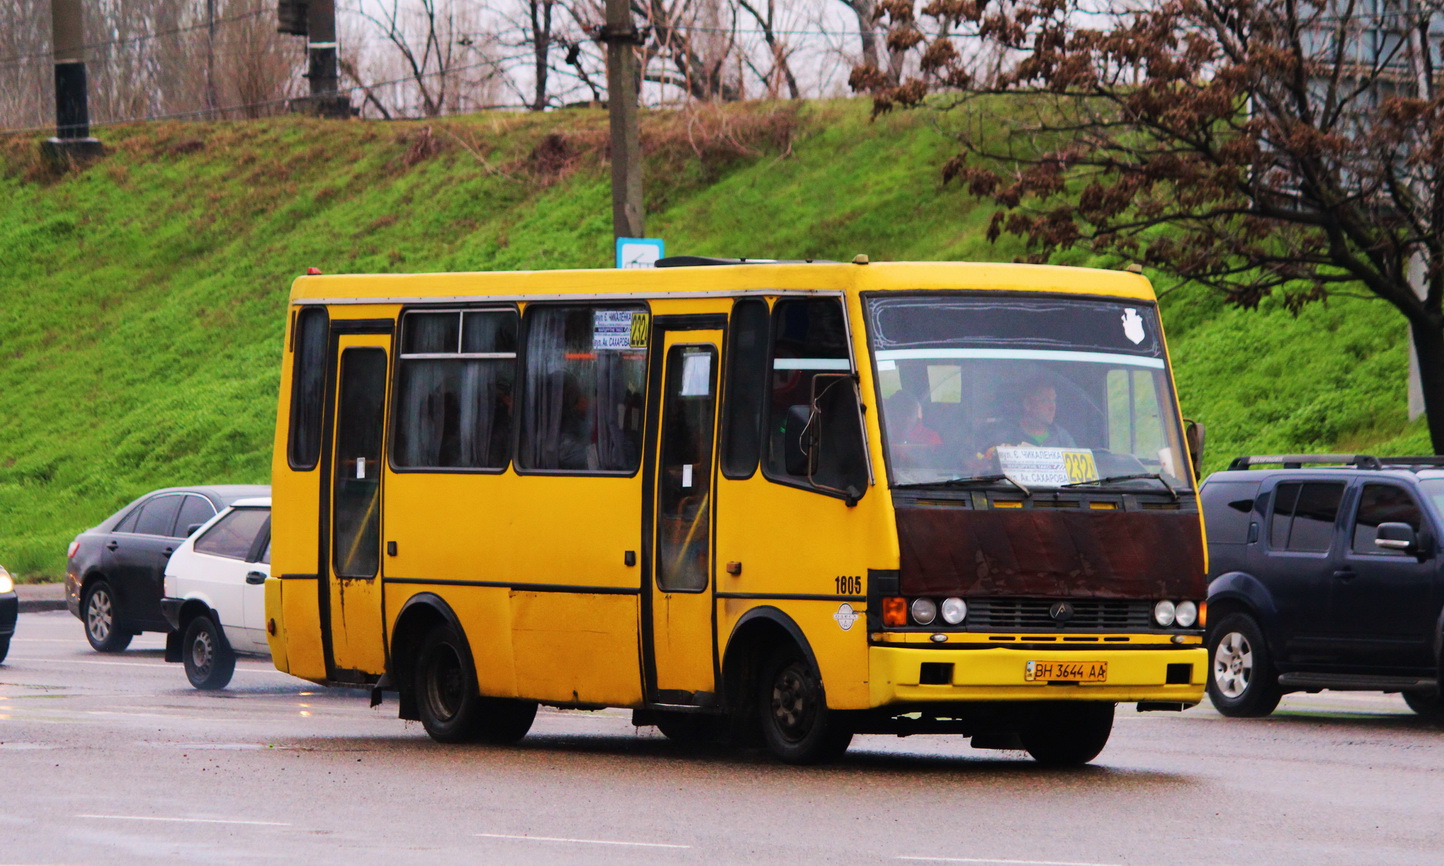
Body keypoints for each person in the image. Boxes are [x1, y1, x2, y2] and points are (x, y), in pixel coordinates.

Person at [985, 378, 1075, 449]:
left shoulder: (1062, 437)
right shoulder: (1004, 436)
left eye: (1053, 400)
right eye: (1045, 401)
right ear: (1027, 404)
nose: (1052, 407)